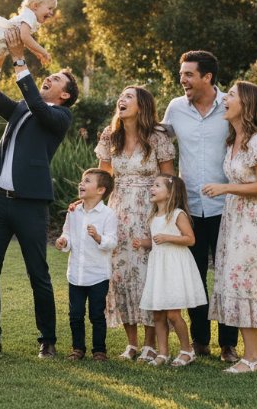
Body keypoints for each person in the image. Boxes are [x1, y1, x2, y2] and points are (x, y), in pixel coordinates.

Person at [162, 50, 257, 363]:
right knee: (194, 276)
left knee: (230, 275)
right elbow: (158, 138)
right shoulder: (175, 108)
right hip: (191, 208)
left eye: (188, 74)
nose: (182, 79)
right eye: (182, 73)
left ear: (207, 77)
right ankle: (200, 340)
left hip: (230, 209)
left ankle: (229, 345)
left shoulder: (230, 105)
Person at [0, 28, 79, 359]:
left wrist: (21, 60)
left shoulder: (60, 116)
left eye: (54, 80)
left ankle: (47, 340)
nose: (48, 80)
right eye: (46, 78)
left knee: (38, 273)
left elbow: (38, 104)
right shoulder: (22, 108)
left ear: (65, 95)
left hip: (31, 205)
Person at [203, 81, 257, 374]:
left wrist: (225, 188)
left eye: (231, 95)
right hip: (235, 217)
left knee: (244, 281)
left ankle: (251, 359)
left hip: (254, 219)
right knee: (235, 278)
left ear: (246, 104)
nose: (225, 99)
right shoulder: (233, 138)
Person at [93, 86, 175, 363]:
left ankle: (151, 343)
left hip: (148, 211)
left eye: (129, 96)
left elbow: (169, 180)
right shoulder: (110, 136)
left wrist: (165, 216)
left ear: (143, 105)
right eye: (121, 96)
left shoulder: (157, 138)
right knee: (120, 275)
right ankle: (131, 343)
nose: (122, 99)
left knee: (147, 275)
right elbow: (103, 178)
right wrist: (87, 205)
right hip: (117, 212)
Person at [135, 175, 208, 367]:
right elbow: (156, 242)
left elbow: (190, 239)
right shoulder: (153, 217)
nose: (152, 188)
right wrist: (144, 243)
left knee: (173, 314)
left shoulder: (177, 214)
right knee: (158, 314)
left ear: (170, 193)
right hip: (159, 268)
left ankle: (187, 350)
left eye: (157, 185)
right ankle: (163, 352)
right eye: (152, 185)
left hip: (174, 267)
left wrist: (167, 237)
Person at [55, 168, 117, 362]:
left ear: (100, 190)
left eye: (87, 181)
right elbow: (67, 233)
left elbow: (112, 242)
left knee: (97, 315)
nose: (81, 184)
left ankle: (99, 350)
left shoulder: (108, 214)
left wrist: (98, 237)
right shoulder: (74, 212)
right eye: (82, 180)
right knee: (75, 315)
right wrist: (63, 241)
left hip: (98, 274)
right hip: (76, 274)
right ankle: (77, 349)